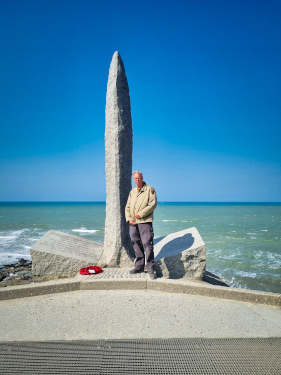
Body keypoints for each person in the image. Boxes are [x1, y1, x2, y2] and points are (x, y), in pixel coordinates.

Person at [125, 171, 158, 280]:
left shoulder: (150, 189)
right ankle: (139, 266)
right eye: (135, 179)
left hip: (144, 221)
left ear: (142, 178)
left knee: (147, 244)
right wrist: (129, 218)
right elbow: (128, 206)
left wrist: (141, 214)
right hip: (133, 223)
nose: (137, 180)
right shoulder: (132, 191)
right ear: (133, 180)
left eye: (139, 178)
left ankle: (150, 268)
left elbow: (152, 204)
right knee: (135, 243)